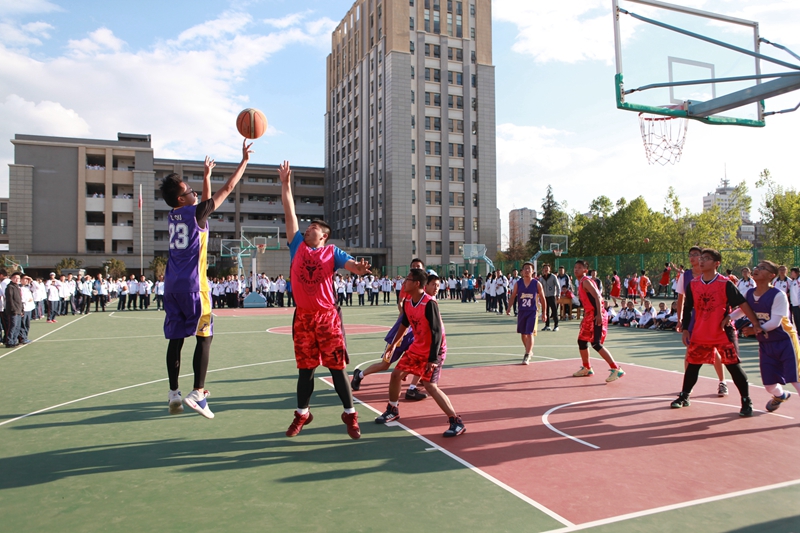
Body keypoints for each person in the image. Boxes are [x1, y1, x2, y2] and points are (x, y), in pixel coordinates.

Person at [161, 140, 252, 419]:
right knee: (205, 336)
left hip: (171, 287)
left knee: (176, 340)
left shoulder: (173, 215)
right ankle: (198, 392)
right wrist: (244, 161)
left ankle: (173, 393)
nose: (193, 193)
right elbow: (229, 189)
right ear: (182, 199)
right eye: (189, 191)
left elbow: (203, 204)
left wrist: (206, 176)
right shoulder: (195, 213)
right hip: (194, 287)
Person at [280, 160, 370, 439]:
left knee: (336, 367)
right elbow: (289, 212)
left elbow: (352, 265)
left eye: (313, 227)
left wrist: (359, 268)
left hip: (327, 317)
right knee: (305, 370)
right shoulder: (297, 245)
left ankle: (350, 414)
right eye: (307, 227)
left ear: (324, 235)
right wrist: (285, 184)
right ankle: (302, 414)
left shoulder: (332, 252)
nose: (308, 229)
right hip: (303, 318)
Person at [670, 249, 762, 416]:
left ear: (716, 263)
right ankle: (684, 396)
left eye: (706, 258)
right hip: (701, 332)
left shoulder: (725, 284)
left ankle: (746, 400)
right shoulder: (693, 284)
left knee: (733, 367)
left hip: (722, 333)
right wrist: (685, 329)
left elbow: (743, 304)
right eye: (701, 258)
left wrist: (755, 323)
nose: (701, 261)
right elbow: (688, 308)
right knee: (693, 366)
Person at [375, 269, 465, 437]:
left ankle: (456, 421)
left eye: (408, 280)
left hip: (434, 350)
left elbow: (437, 332)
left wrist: (433, 359)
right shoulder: (408, 301)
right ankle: (392, 409)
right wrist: (393, 345)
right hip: (417, 348)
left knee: (430, 386)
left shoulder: (429, 303)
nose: (404, 282)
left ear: (417, 284)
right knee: (395, 374)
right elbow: (404, 324)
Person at [729, 260, 800, 412]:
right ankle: (781, 395)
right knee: (769, 385)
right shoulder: (749, 293)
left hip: (786, 341)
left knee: (796, 380)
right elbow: (742, 310)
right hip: (766, 343)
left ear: (771, 275)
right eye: (757, 267)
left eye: (763, 268)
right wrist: (727, 318)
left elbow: (775, 322)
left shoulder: (778, 295)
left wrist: (753, 330)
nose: (757, 269)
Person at [352, 259, 428, 399]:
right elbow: (401, 301)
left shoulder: (426, 288)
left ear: (423, 268)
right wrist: (404, 312)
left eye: (418, 266)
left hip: (416, 332)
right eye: (413, 267)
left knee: (421, 358)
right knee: (385, 364)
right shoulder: (408, 285)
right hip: (402, 329)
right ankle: (360, 375)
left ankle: (412, 388)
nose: (415, 268)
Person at [676, 246, 728, 396]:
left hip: (712, 316)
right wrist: (680, 320)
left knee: (714, 350)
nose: (693, 257)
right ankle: (687, 387)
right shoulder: (685, 276)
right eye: (690, 255)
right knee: (690, 350)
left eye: (696, 255)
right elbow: (681, 299)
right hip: (694, 317)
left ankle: (722, 381)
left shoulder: (715, 277)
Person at [571, 260, 625, 382]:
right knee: (582, 341)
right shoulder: (581, 282)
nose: (576, 269)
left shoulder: (586, 281)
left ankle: (616, 369)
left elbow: (597, 296)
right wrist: (585, 318)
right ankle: (587, 368)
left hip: (597, 314)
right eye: (575, 267)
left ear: (585, 270)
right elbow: (588, 302)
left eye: (579, 267)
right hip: (590, 315)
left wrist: (599, 314)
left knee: (596, 343)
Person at [507, 262, 546, 364]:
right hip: (522, 311)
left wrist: (544, 312)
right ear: (522, 271)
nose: (527, 270)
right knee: (523, 334)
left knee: (529, 333)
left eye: (529, 269)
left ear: (533, 271)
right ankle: (528, 349)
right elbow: (512, 296)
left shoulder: (537, 284)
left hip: (532, 311)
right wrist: (509, 307)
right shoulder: (518, 284)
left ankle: (527, 355)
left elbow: (543, 298)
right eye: (525, 268)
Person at [539, 263, 559, 331]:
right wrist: (540, 297)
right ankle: (547, 325)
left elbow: (558, 286)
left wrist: (558, 294)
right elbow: (540, 288)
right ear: (542, 270)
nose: (546, 269)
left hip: (552, 296)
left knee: (554, 311)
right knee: (545, 311)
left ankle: (556, 326)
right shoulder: (541, 278)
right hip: (545, 297)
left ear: (550, 269)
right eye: (544, 268)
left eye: (547, 268)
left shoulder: (553, 276)